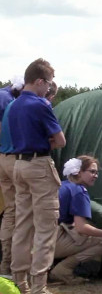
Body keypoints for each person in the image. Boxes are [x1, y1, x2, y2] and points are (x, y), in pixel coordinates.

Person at [8, 59, 66, 294]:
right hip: (39, 165)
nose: (49, 90)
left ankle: (19, 281)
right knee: (45, 228)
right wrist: (47, 142)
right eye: (49, 84)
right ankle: (39, 285)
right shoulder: (41, 104)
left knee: (22, 226)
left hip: (18, 165)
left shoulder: (14, 104)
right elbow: (60, 140)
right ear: (40, 81)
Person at [50, 156, 102, 284]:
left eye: (96, 172)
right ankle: (63, 270)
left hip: (37, 240)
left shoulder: (63, 185)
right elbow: (81, 227)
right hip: (51, 241)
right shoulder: (79, 191)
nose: (95, 175)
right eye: (91, 171)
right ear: (79, 172)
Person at [0, 75, 24, 275]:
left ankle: (5, 265)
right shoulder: (8, 100)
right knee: (21, 211)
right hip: (13, 158)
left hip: (2, 158)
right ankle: (16, 267)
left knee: (10, 211)